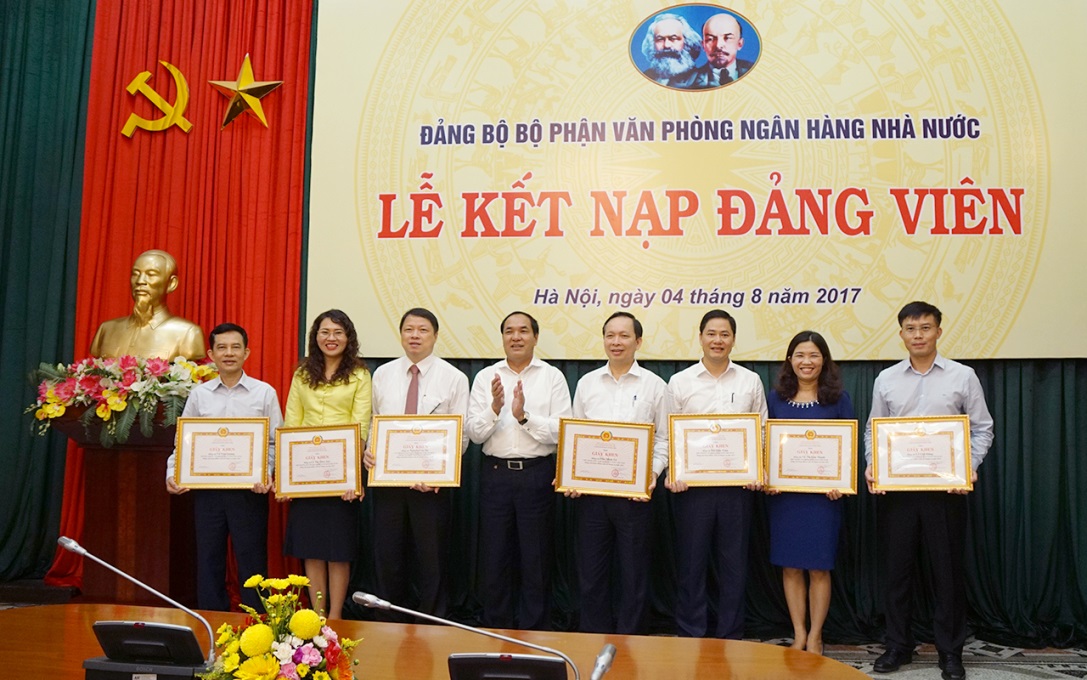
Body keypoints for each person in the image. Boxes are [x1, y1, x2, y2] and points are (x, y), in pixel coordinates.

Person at [865, 301, 994, 680]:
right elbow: (874, 430)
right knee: (897, 572)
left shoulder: (963, 376)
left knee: (947, 573)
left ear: (938, 331)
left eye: (925, 328)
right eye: (911, 328)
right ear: (901, 334)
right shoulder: (886, 379)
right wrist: (874, 465)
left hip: (946, 493)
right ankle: (897, 646)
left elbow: (982, 428)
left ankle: (950, 652)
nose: (918, 335)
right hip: (898, 492)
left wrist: (967, 467)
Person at [663, 309, 767, 639]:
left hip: (738, 488)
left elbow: (762, 431)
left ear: (733, 340)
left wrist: (759, 469)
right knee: (691, 563)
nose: (717, 340)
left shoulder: (750, 380)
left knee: (734, 565)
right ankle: (690, 632)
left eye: (724, 334)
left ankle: (730, 634)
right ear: (700, 337)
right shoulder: (680, 382)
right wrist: (673, 471)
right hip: (692, 489)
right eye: (711, 333)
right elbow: (669, 434)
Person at [165, 323, 283, 611]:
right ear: (211, 354)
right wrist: (172, 473)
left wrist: (266, 473)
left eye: (235, 347)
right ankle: (211, 620)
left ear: (246, 353)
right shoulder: (199, 395)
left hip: (249, 492)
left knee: (252, 560)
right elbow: (183, 443)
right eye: (222, 348)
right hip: (208, 492)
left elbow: (275, 442)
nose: (229, 353)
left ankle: (256, 624)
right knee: (208, 559)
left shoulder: (264, 393)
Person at [466, 311, 571, 630]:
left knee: (535, 558)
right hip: (495, 474)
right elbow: (474, 434)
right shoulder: (486, 377)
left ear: (535, 337)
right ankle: (496, 625)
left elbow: (562, 431)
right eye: (509, 331)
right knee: (495, 556)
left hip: (536, 474)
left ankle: (535, 628)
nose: (516, 337)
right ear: (502, 338)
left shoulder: (552, 377)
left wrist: (524, 417)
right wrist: (495, 408)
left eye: (523, 331)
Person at [568, 311, 668, 634]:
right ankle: (592, 636)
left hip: (635, 496)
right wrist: (572, 475)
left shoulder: (655, 386)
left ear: (638, 341)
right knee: (591, 572)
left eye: (624, 336)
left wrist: (652, 474)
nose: (616, 342)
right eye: (610, 335)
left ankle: (632, 640)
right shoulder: (586, 383)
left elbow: (664, 439)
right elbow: (575, 436)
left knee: (634, 573)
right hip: (592, 496)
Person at [367, 307, 469, 619]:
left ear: (435, 336)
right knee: (388, 556)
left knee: (431, 559)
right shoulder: (382, 374)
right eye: (409, 329)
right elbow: (374, 422)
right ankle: (387, 622)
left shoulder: (454, 377)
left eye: (423, 330)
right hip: (388, 484)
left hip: (431, 486)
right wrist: (370, 450)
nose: (415, 335)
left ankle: (432, 622)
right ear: (400, 335)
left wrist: (442, 473)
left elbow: (461, 435)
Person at [764, 331, 854, 654]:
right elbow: (764, 443)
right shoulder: (775, 399)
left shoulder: (839, 399)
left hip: (823, 499)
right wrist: (768, 474)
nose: (807, 362)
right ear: (790, 360)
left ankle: (816, 635)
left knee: (818, 567)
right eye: (800, 355)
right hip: (785, 497)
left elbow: (848, 447)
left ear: (824, 360)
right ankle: (799, 633)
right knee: (790, 566)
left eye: (814, 355)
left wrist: (841, 482)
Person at [282, 309, 372, 620]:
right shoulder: (302, 374)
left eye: (338, 332)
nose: (331, 338)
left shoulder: (360, 374)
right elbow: (292, 424)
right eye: (325, 332)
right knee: (311, 549)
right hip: (306, 475)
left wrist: (353, 479)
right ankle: (316, 616)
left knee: (338, 550)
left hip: (341, 476)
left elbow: (360, 426)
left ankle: (335, 616)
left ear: (348, 338)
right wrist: (288, 478)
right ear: (315, 337)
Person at [90, 249, 205, 360]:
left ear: (171, 284)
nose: (140, 281)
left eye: (151, 274)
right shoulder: (106, 329)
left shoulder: (188, 333)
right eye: (135, 274)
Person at [691, 13, 755, 89]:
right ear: (703, 45)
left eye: (727, 38)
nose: (718, 46)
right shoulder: (689, 82)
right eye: (710, 39)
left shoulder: (756, 72)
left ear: (740, 44)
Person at [639, 13, 702, 88]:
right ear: (652, 44)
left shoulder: (701, 80)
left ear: (687, 42)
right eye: (660, 39)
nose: (667, 45)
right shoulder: (645, 77)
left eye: (673, 38)